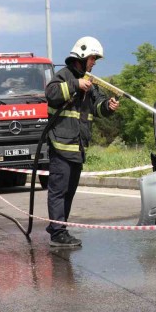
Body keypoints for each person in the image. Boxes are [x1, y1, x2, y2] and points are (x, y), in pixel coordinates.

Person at [44, 36, 120, 247]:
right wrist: (75, 84)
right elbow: (51, 94)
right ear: (83, 56)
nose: (94, 62)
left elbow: (97, 106)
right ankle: (57, 233)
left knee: (69, 191)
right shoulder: (64, 76)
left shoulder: (90, 82)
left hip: (77, 147)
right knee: (58, 191)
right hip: (61, 145)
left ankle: (59, 228)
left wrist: (108, 106)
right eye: (93, 58)